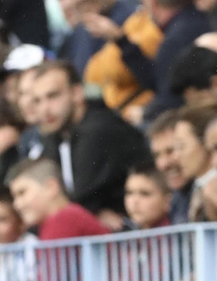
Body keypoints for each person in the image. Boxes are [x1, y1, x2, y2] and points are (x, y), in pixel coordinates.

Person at [30, 60, 154, 221]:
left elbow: (82, 198)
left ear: (77, 93)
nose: (44, 109)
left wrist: (92, 212)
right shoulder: (56, 135)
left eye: (52, 96)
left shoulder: (99, 130)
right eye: (37, 101)